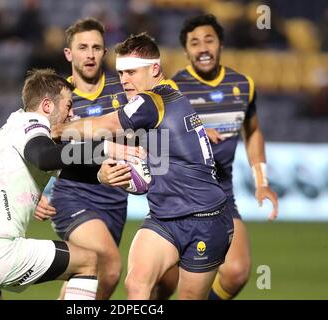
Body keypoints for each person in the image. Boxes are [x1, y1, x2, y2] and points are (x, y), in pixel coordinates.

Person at [53, 33, 235, 300]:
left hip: (205, 219)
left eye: (131, 72)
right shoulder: (167, 100)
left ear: (155, 70)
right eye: (121, 73)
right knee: (136, 285)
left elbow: (108, 125)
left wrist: (60, 130)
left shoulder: (152, 100)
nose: (124, 80)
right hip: (164, 217)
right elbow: (147, 157)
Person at [0, 68, 139, 300]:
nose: (72, 113)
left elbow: (60, 164)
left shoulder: (13, 126)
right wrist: (104, 148)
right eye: (68, 105)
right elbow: (44, 157)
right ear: (47, 106)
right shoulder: (32, 124)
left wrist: (100, 175)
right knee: (88, 262)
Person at [171, 14, 278, 300]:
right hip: (177, 196)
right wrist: (195, 130)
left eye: (209, 40)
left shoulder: (243, 85)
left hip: (221, 194)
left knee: (237, 271)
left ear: (220, 45)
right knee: (164, 283)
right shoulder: (172, 90)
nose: (203, 48)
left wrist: (261, 181)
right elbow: (155, 141)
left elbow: (253, 132)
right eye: (195, 43)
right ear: (186, 50)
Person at [33, 18, 130, 300]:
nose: (90, 54)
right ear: (68, 53)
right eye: (83, 47)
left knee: (88, 277)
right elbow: (33, 145)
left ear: (104, 52)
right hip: (72, 197)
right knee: (110, 265)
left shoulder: (122, 90)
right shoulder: (55, 97)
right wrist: (34, 192)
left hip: (115, 200)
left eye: (96, 47)